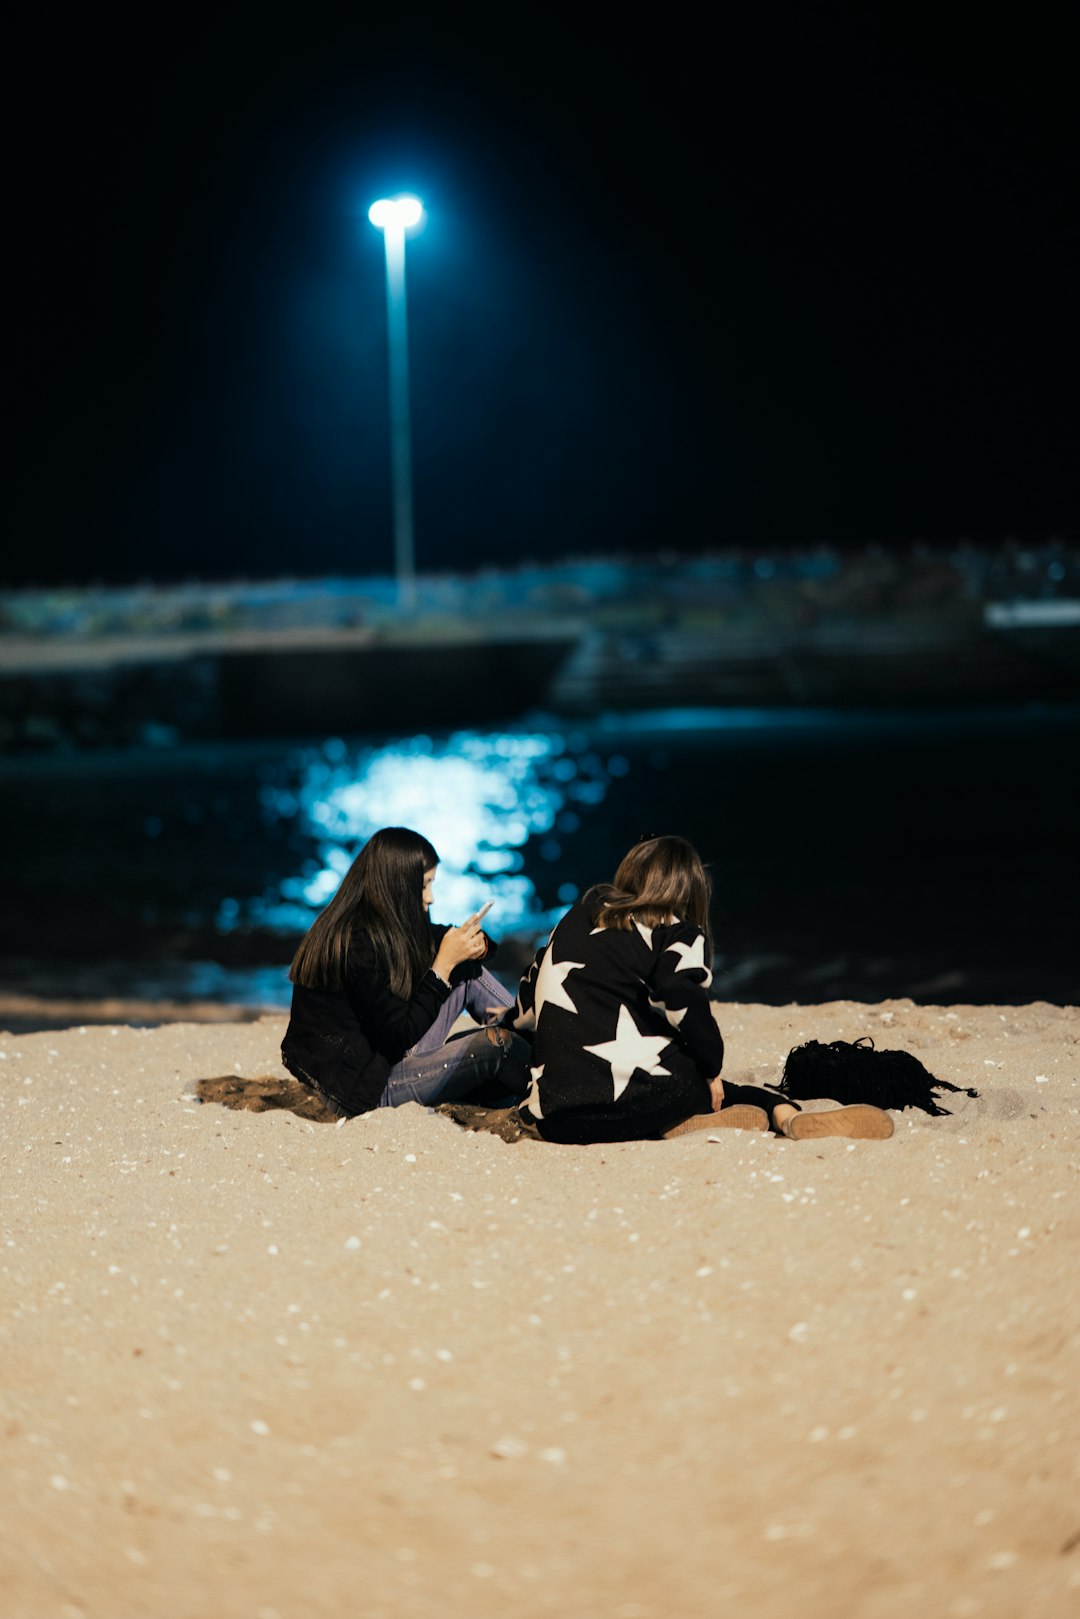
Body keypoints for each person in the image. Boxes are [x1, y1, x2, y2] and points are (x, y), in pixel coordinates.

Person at [474, 834, 892, 1145]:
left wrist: (508, 1023)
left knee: (650, 1073)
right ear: (689, 891)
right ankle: (785, 1118)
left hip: (557, 1120)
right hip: (628, 1102)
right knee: (716, 1086)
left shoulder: (576, 917)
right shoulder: (676, 930)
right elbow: (680, 998)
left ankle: (681, 1123)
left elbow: (527, 1004)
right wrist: (709, 1066)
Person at [281, 826, 530, 1117]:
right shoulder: (357, 942)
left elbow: (438, 937)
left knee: (464, 969)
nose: (431, 897)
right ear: (400, 884)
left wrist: (476, 946)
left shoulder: (386, 921)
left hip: (382, 1059)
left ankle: (532, 1032)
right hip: (365, 1087)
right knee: (495, 1047)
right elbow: (401, 1034)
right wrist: (443, 967)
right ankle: (539, 1065)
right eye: (425, 885)